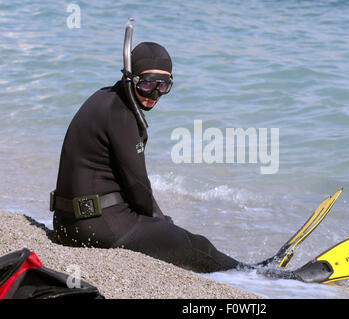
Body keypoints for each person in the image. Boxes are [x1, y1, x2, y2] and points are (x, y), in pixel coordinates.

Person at [51, 41, 241, 273]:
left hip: (65, 225)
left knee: (163, 226)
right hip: (95, 229)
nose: (154, 94)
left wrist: (158, 223)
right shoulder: (123, 116)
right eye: (147, 84)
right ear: (130, 78)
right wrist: (161, 224)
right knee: (195, 244)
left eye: (163, 86)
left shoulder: (103, 99)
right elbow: (138, 185)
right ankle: (258, 275)